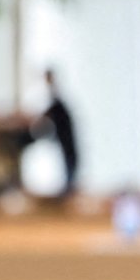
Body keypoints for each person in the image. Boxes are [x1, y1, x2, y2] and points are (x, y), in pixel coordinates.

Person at [38, 68, 80, 197]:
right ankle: (68, 187)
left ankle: (69, 188)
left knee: (70, 159)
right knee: (68, 159)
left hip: (65, 134)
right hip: (62, 134)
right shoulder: (52, 94)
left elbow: (54, 109)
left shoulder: (55, 94)